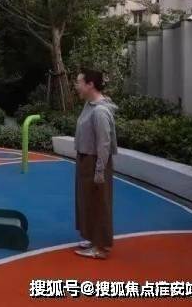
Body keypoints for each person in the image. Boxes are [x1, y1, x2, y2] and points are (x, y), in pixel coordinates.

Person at [73, 68, 117, 259]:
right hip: (85, 159)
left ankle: (101, 247)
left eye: (79, 82)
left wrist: (99, 171)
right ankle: (93, 238)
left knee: (99, 202)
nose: (76, 86)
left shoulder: (99, 111)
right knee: (88, 201)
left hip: (95, 161)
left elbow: (104, 144)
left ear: (90, 84)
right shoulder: (89, 105)